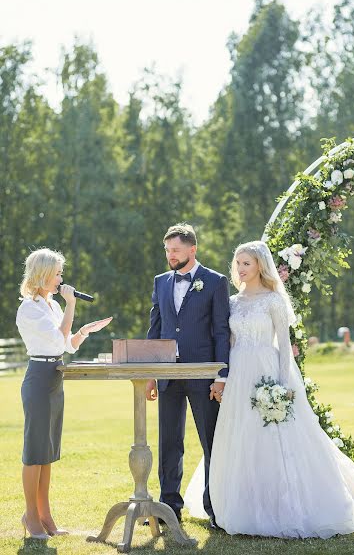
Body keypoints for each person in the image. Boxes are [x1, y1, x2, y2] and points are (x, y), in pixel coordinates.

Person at [185, 240, 354, 538]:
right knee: (240, 435)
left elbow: (283, 347)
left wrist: (282, 385)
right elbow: (228, 342)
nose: (240, 269)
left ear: (260, 265)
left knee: (273, 437)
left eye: (246, 263)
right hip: (238, 375)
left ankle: (280, 505)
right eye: (238, 263)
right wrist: (222, 377)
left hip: (266, 372)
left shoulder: (273, 301)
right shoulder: (232, 302)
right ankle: (241, 503)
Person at [17, 247, 112, 539]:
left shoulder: (52, 306)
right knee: (34, 453)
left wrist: (83, 331)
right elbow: (58, 338)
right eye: (57, 273)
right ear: (43, 274)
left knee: (47, 452)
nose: (61, 279)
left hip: (56, 379)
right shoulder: (29, 308)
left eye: (61, 273)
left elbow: (67, 344)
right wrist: (71, 304)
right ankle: (30, 517)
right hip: (38, 379)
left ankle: (45, 517)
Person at [146, 223, 230, 529]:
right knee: (169, 442)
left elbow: (221, 332)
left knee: (211, 442)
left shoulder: (215, 282)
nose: (170, 255)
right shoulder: (160, 281)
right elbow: (155, 330)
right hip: (167, 375)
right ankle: (168, 507)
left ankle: (216, 508)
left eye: (176, 250)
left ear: (192, 250)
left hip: (203, 376)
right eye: (167, 250)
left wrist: (221, 375)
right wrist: (149, 374)